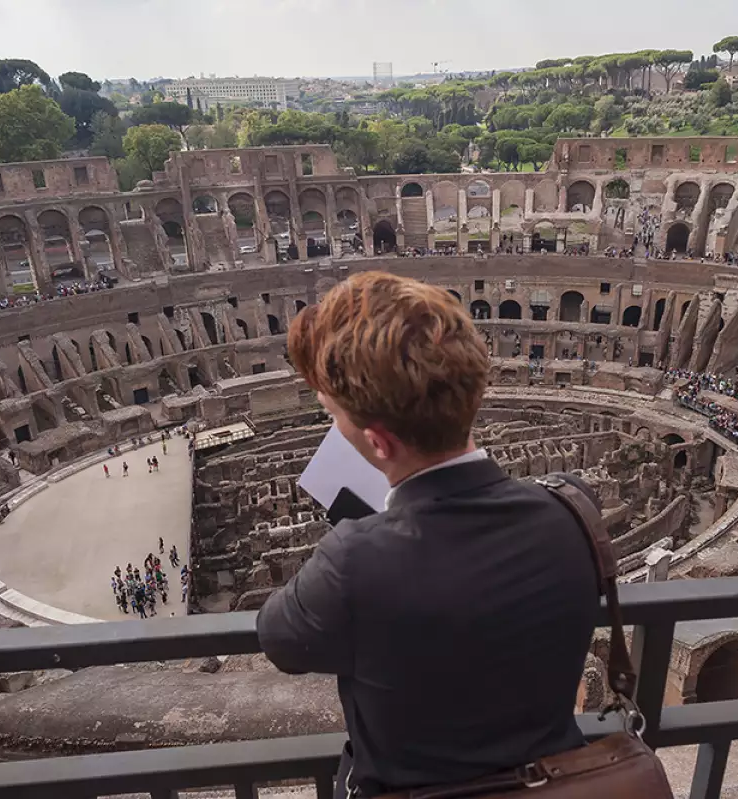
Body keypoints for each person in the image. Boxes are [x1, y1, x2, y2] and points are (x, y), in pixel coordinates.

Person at [257, 272, 604, 799]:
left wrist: (363, 533)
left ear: (377, 442)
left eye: (334, 418)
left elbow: (278, 637)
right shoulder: (573, 509)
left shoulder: (355, 560)